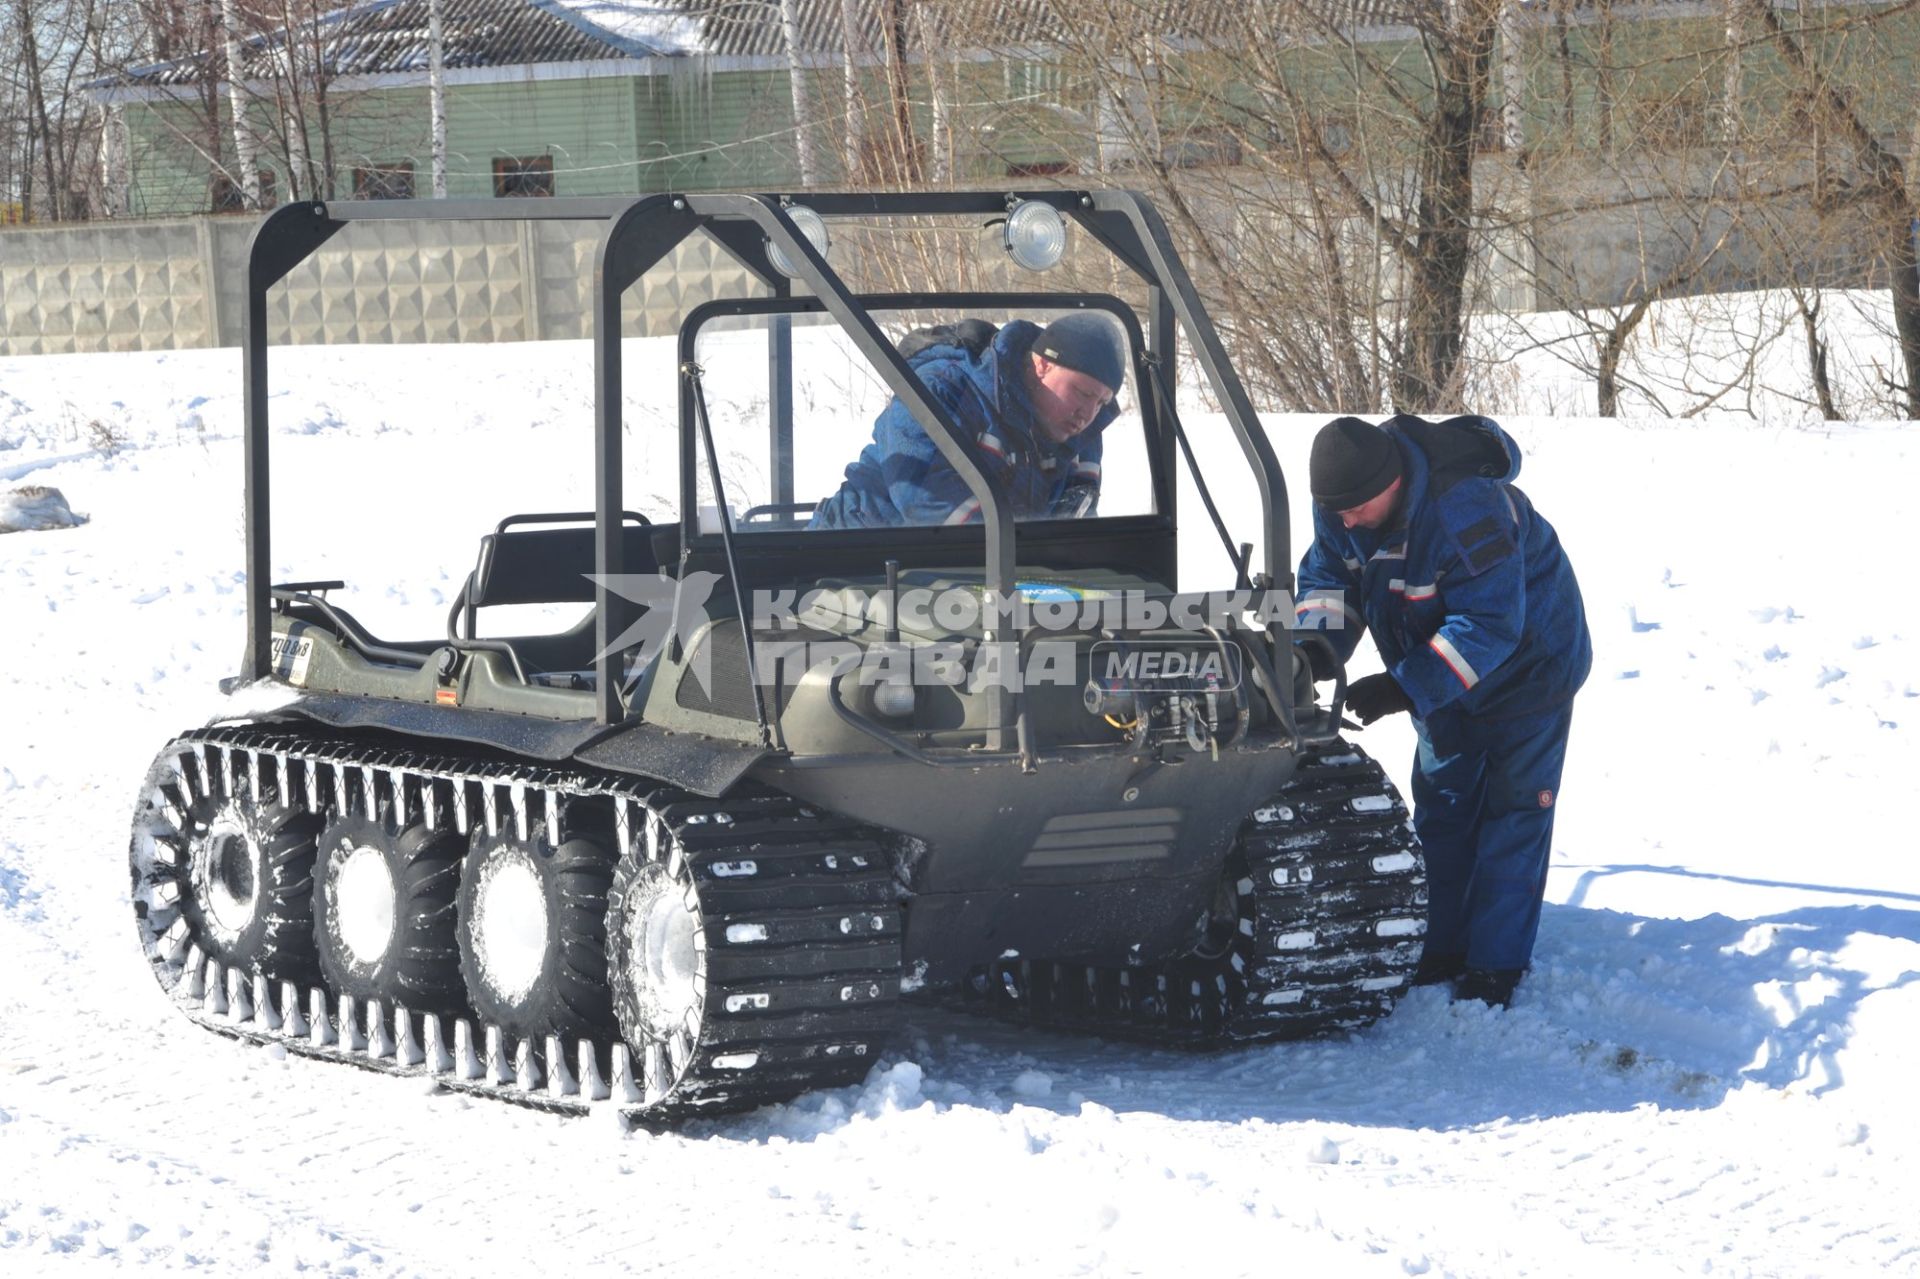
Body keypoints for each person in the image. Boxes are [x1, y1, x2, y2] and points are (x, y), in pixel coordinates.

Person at [1294, 414, 1591, 1010]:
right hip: (1441, 677)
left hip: (1530, 673)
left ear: (1393, 483)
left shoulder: (1465, 509)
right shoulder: (1343, 504)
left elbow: (1489, 625)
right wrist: (1314, 649)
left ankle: (1495, 968)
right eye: (1337, 513)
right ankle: (1438, 950)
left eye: (1355, 509)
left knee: (1512, 821)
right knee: (1443, 810)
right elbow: (1330, 576)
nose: (1346, 522)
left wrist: (1404, 687)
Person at [808, 312, 1125, 529]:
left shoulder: (1077, 430)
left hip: (965, 576)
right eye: (1083, 393)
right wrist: (1020, 551)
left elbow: (1077, 521)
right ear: (1043, 365)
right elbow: (923, 501)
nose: (1088, 413)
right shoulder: (945, 389)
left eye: (1102, 401)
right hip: (858, 554)